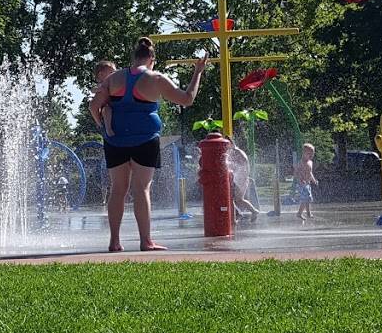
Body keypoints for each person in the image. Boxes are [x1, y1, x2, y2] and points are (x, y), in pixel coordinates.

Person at [89, 38, 207, 252]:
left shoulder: (114, 78)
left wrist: (103, 128)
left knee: (118, 190)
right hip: (145, 139)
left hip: (115, 141)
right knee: (142, 189)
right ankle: (146, 241)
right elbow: (187, 99)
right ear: (152, 58)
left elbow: (93, 106)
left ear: (133, 58)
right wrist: (197, 72)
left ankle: (114, 241)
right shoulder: (156, 78)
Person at [227, 143, 259, 220]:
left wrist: (244, 177)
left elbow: (243, 164)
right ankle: (240, 213)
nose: (226, 147)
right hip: (240, 179)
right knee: (237, 199)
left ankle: (242, 213)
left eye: (227, 145)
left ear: (231, 144)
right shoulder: (235, 152)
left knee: (234, 198)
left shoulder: (237, 152)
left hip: (241, 180)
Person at [91, 60, 117, 140]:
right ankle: (100, 124)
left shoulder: (114, 83)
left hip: (112, 104)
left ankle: (106, 127)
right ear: (101, 75)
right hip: (104, 106)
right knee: (103, 110)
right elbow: (92, 90)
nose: (114, 75)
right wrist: (99, 89)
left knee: (106, 110)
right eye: (111, 72)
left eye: (115, 72)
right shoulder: (102, 84)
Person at [295, 142, 318, 222]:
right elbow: (297, 172)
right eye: (309, 153)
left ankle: (308, 213)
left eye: (312, 153)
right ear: (304, 153)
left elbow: (310, 173)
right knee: (305, 198)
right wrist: (301, 179)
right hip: (302, 184)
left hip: (307, 183)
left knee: (308, 199)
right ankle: (299, 213)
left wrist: (314, 180)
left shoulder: (310, 162)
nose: (311, 155)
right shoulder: (301, 163)